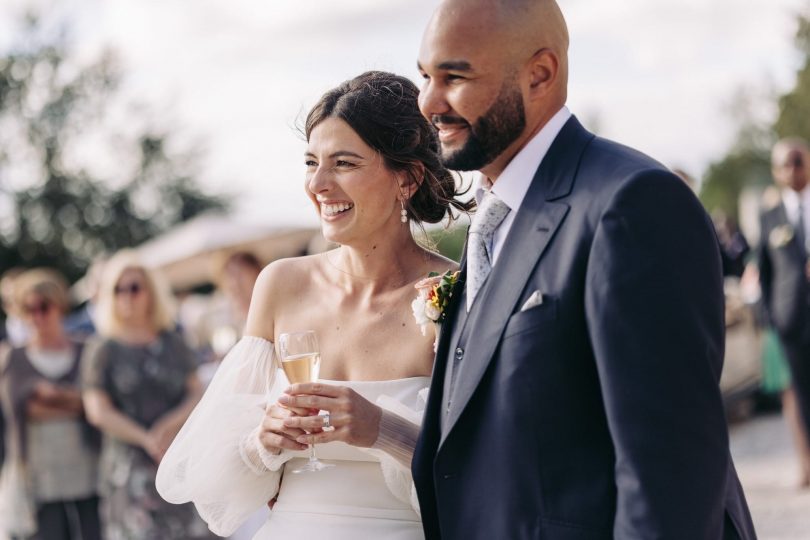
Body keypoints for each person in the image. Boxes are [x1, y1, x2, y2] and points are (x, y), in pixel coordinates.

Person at [411, 1, 755, 538]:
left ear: (540, 73)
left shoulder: (632, 203)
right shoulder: (492, 218)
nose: (429, 101)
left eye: (455, 76)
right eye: (425, 76)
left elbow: (669, 470)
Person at [156, 71, 472, 539]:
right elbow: (210, 470)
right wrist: (262, 444)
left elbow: (486, 467)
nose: (318, 184)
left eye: (343, 163)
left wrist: (382, 429)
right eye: (311, 162)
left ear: (407, 178)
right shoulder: (281, 284)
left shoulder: (459, 292)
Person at [80, 251, 213, 540]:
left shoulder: (175, 342)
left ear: (151, 292)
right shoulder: (102, 349)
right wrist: (146, 438)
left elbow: (196, 392)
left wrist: (169, 425)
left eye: (135, 287)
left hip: (179, 460)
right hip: (130, 471)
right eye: (118, 289)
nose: (127, 295)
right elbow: (97, 410)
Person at [0, 268, 101, 540]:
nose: (36, 316)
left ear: (59, 306)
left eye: (43, 307)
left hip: (88, 468)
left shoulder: (87, 350)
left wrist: (52, 397)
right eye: (27, 309)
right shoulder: (15, 358)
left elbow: (99, 404)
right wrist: (76, 401)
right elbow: (19, 409)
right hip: (38, 474)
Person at [758, 137, 810, 489]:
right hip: (792, 321)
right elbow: (764, 272)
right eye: (784, 164)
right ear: (776, 172)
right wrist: (770, 318)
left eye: (797, 160)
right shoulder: (770, 216)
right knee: (801, 396)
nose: (791, 169)